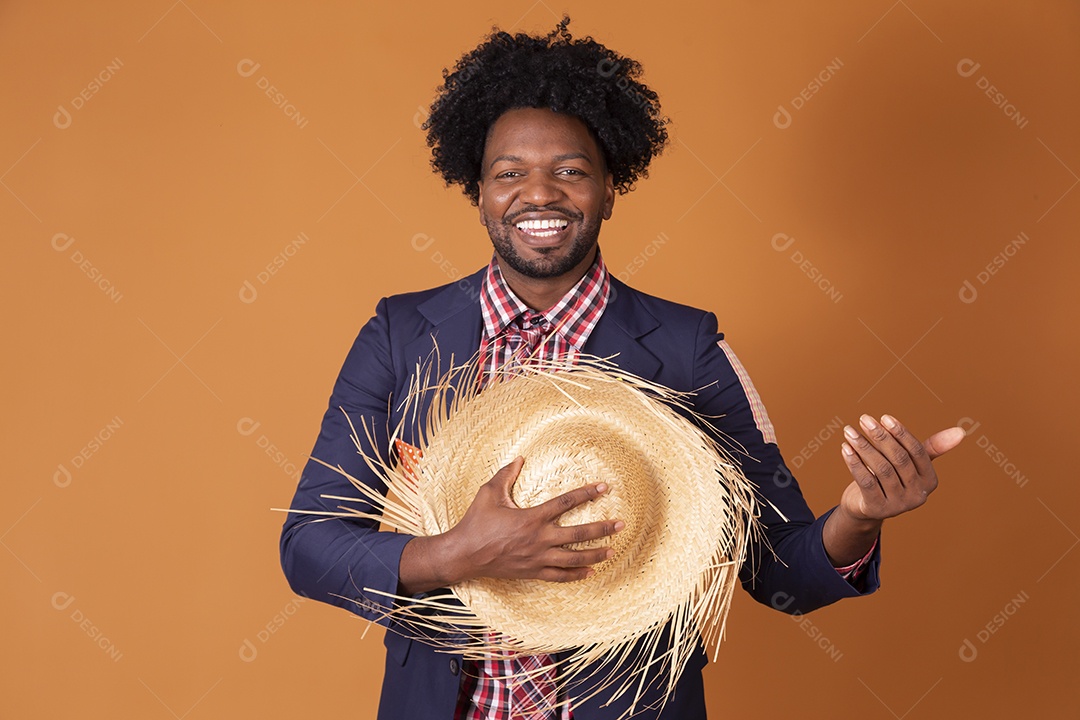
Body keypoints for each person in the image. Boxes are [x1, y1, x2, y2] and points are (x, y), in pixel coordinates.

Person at [279, 18, 964, 720]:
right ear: (478, 192)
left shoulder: (687, 348)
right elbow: (308, 546)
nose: (539, 194)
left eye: (570, 171)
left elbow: (780, 570)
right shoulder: (400, 335)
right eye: (509, 173)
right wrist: (455, 554)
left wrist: (858, 518)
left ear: (610, 190)